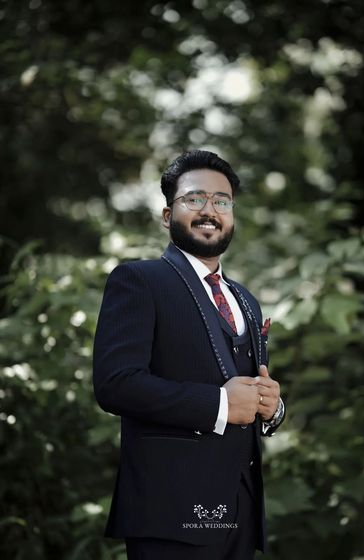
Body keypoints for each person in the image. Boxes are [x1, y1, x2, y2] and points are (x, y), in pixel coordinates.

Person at [93, 149, 285, 560]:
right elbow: (115, 384)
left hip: (241, 511)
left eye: (221, 201)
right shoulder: (139, 280)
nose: (209, 210)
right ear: (167, 215)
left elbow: (247, 396)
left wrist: (273, 407)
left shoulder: (246, 300)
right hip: (170, 512)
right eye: (194, 198)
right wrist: (218, 403)